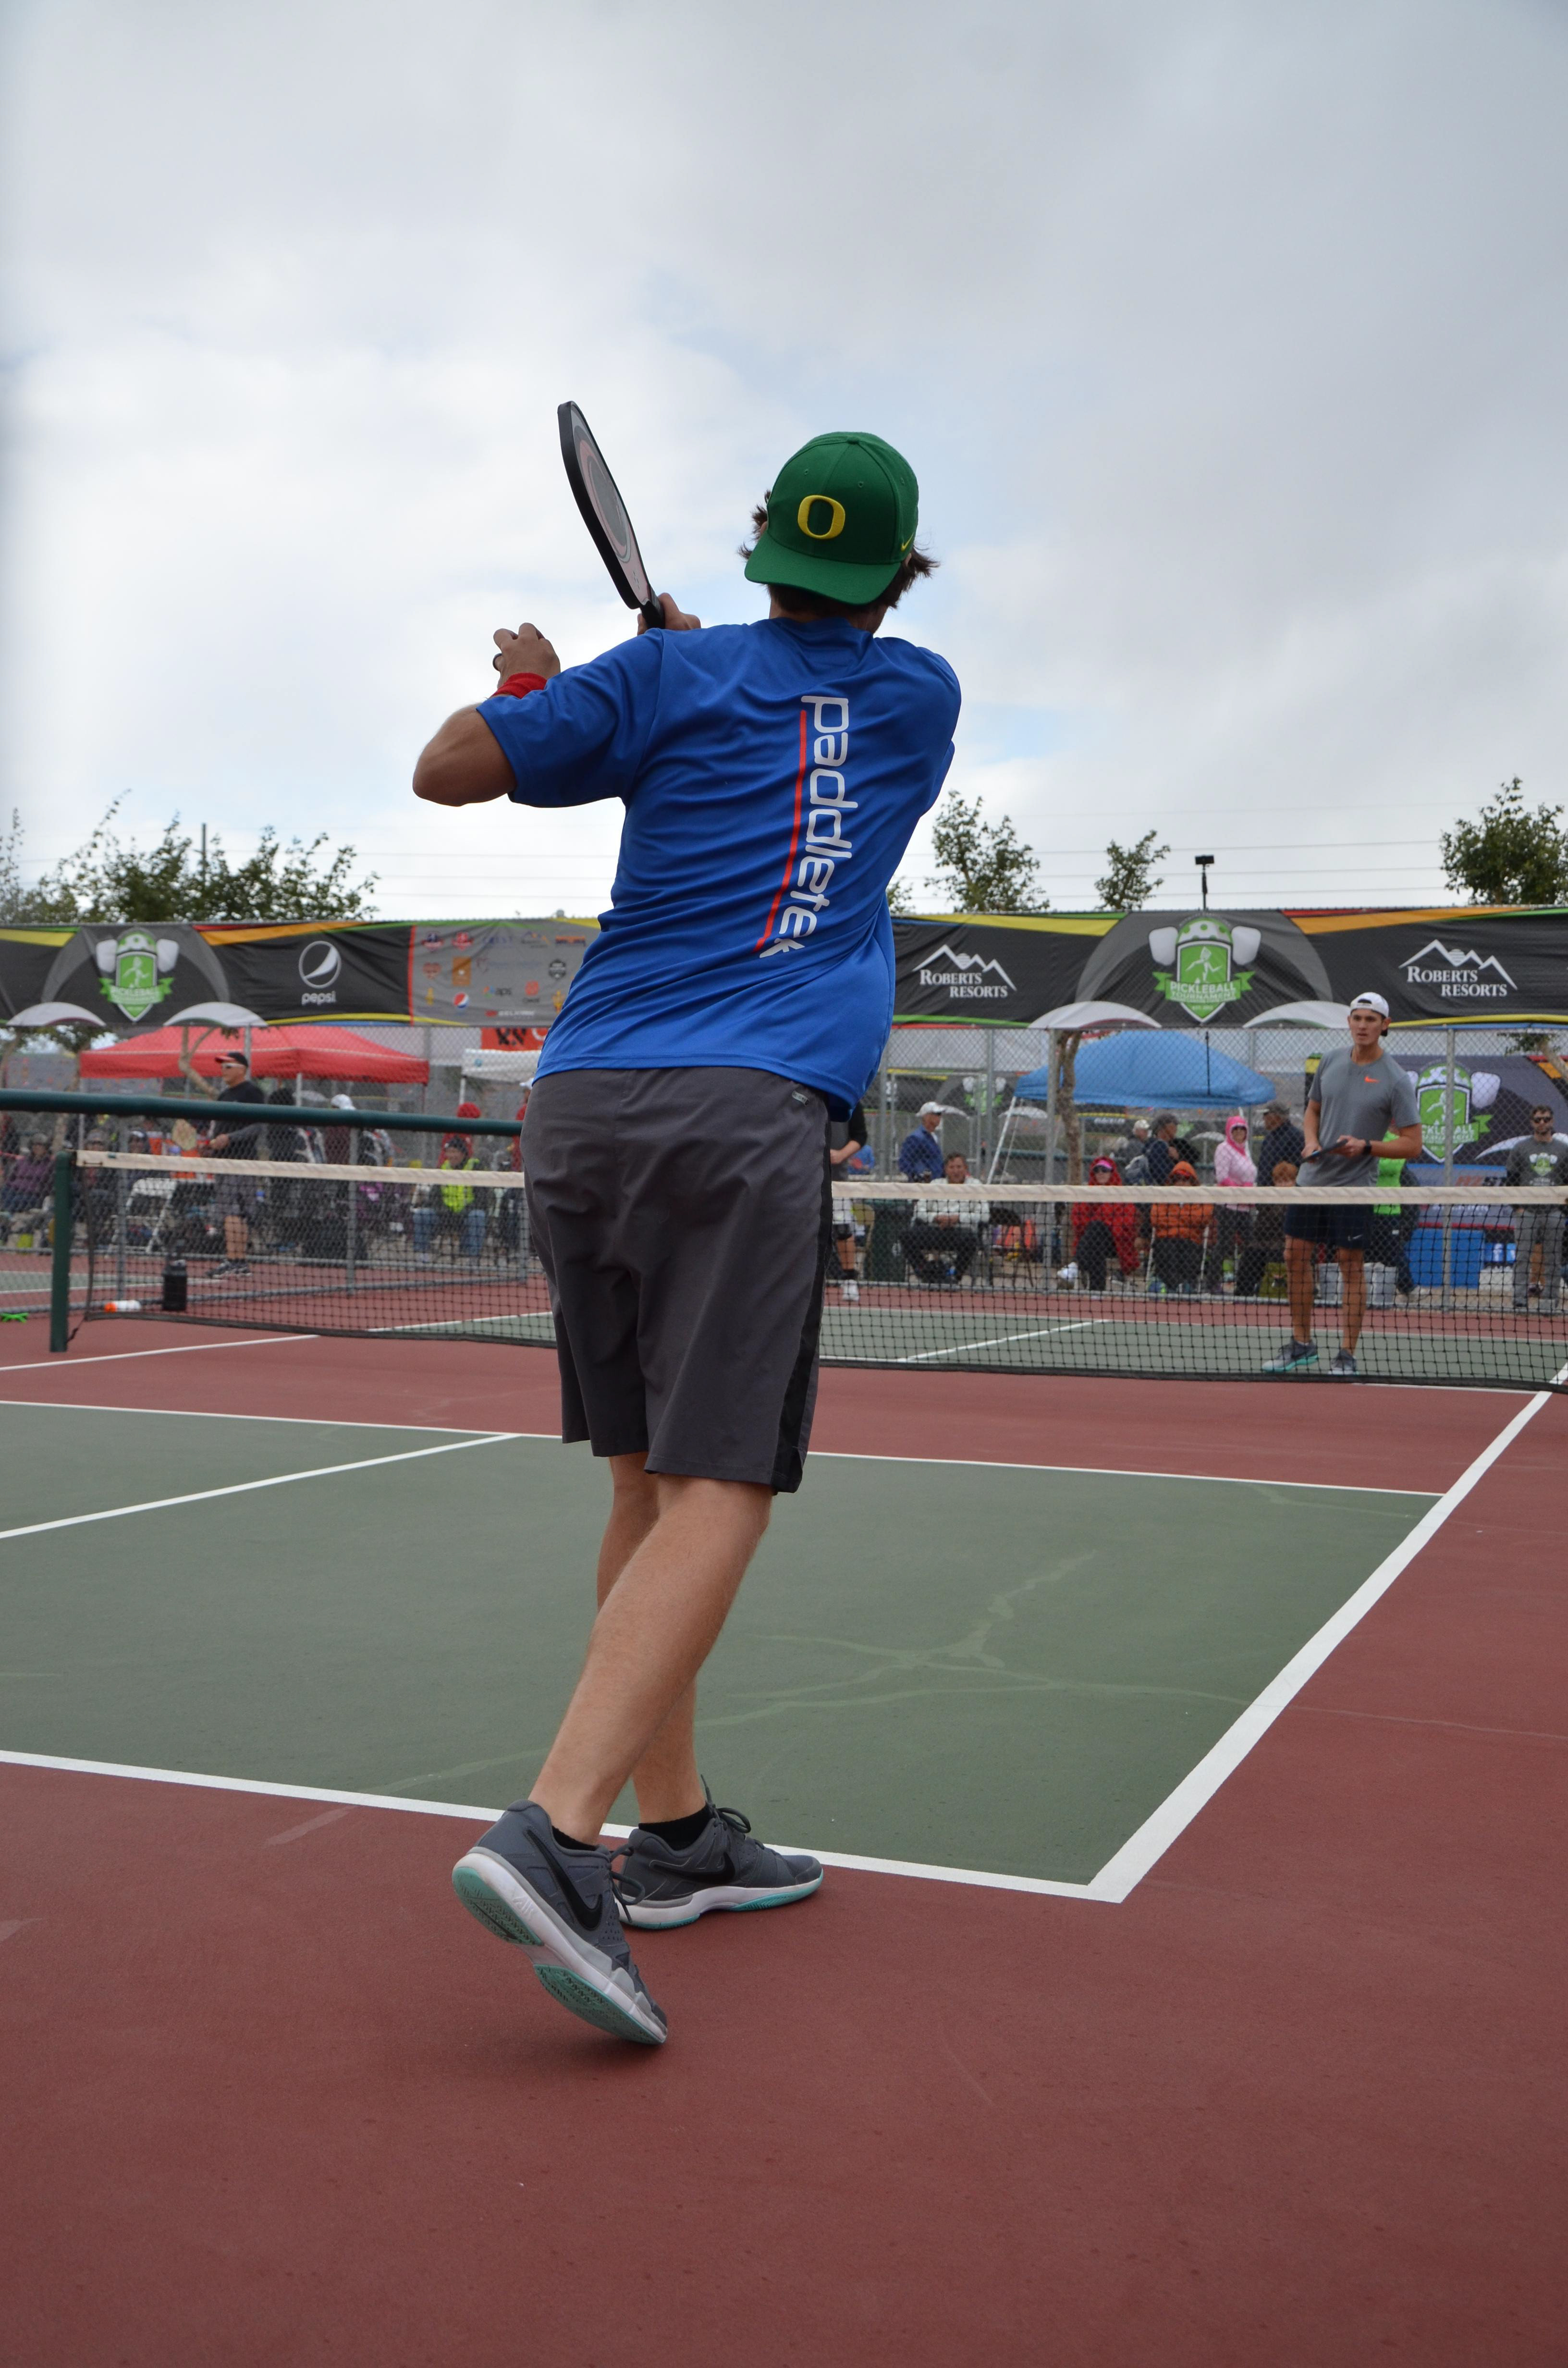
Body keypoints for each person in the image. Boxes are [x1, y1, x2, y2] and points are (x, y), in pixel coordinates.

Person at [412, 427, 958, 2047]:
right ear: (895, 569)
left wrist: (550, 698)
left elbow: (451, 763)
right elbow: (799, 707)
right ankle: (558, 1838)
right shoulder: (918, 692)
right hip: (746, 1110)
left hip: (583, 1104)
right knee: (726, 1479)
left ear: (758, 551)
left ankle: (677, 1834)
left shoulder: (664, 682)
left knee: (646, 1475)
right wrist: (660, 670)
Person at [1262, 993, 1421, 1377]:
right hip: (1312, 1181)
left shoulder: (1395, 1079)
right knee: (1294, 1257)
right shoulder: (1330, 1061)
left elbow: (1413, 1145)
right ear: (1349, 1022)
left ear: (1385, 1025)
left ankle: (1346, 1354)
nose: (1363, 1025)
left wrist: (1367, 1146)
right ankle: (1302, 1344)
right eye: (1357, 1018)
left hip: (1354, 1187)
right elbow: (1313, 1109)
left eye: (1371, 1019)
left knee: (1350, 1265)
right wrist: (1311, 1142)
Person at [182, 1043, 267, 1271]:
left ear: (242, 1069)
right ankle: (237, 1261)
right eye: (222, 1066)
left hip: (242, 1161)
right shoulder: (224, 1095)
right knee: (231, 1211)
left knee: (235, 1211)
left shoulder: (252, 1092)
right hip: (223, 1161)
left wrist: (230, 1138)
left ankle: (236, 1260)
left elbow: (258, 1126)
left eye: (228, 1066)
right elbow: (216, 1130)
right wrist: (210, 1146)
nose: (224, 1070)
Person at [1506, 1104, 1568, 1315]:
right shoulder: (1521, 1149)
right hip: (1527, 1213)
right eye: (1538, 1120)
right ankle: (1520, 1301)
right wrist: (1519, 1208)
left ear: (1552, 1122)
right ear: (1532, 1123)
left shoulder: (1563, 1150)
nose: (1542, 1123)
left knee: (1553, 1258)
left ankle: (1550, 1301)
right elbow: (1511, 1181)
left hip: (1553, 1213)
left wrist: (1563, 1211)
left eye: (1546, 1119)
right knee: (1522, 1258)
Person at [903, 1150, 989, 1285]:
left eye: (959, 1167)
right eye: (952, 1167)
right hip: (936, 1231)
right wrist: (936, 1218)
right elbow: (919, 1210)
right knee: (907, 1236)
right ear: (946, 1170)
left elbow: (985, 1215)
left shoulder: (976, 1186)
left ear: (966, 1169)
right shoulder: (936, 1185)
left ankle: (954, 1275)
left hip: (962, 1234)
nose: (956, 1171)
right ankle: (926, 1272)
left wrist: (958, 1219)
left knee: (972, 1240)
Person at [1064, 1156, 1138, 1292]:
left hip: (1116, 1243)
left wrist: (1105, 1224)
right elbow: (1079, 1223)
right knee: (1096, 1239)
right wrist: (1102, 1222)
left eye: (1105, 1170)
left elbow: (1126, 1224)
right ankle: (1096, 1293)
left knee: (1097, 1228)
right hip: (1092, 1242)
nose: (1101, 1173)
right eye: (1097, 1170)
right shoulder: (1087, 1194)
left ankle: (1075, 1265)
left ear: (1112, 1172)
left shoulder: (1122, 1194)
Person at [1148, 1159, 1213, 1294]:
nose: (1182, 1182)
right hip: (1165, 1241)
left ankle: (1182, 1286)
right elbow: (1156, 1218)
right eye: (1178, 1179)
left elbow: (1202, 1218)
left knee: (1188, 1254)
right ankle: (1178, 1286)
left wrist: (1175, 1217)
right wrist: (1185, 1220)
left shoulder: (1202, 1198)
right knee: (1168, 1251)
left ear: (1193, 1181)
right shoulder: (1163, 1196)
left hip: (1191, 1242)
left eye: (1186, 1179)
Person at [829, 1098, 870, 1302]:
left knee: (843, 1229)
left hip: (837, 1180)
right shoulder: (802, 1094)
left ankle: (849, 1280)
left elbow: (860, 1135)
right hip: (802, 1177)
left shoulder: (848, 1098)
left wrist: (840, 1155)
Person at [1212, 1112, 1256, 1289]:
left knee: (1252, 1244)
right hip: (1228, 1206)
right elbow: (1222, 1177)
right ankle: (1213, 1284)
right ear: (1229, 1132)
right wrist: (1241, 1190)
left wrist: (1248, 1190)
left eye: (1242, 1129)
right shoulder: (1223, 1148)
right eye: (1235, 1129)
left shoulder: (1246, 1149)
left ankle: (1246, 1284)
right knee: (1224, 1245)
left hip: (1245, 1207)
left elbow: (1250, 1174)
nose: (1239, 1133)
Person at [898, 1100, 954, 1181]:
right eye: (937, 1114)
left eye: (940, 1115)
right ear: (926, 1116)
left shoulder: (933, 1136)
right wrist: (917, 1177)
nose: (939, 1117)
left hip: (935, 1182)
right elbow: (905, 1162)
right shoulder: (916, 1138)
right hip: (923, 1183)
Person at [1255, 1101, 1305, 1188]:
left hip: (1284, 1188)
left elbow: (1297, 1166)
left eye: (1266, 1114)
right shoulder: (1269, 1138)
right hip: (1265, 1191)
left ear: (1276, 1116)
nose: (1264, 1118)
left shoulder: (1295, 1137)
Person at [1144, 1111, 1181, 1185]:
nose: (1176, 1129)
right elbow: (1162, 1175)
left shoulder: (1151, 1144)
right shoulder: (1160, 1146)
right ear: (1163, 1129)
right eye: (1173, 1126)